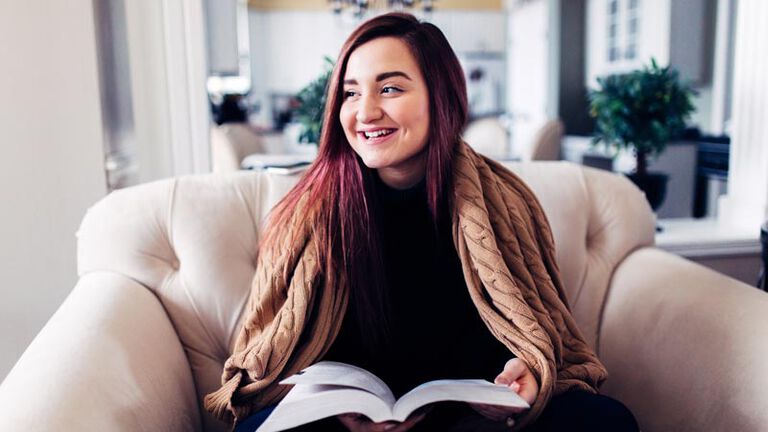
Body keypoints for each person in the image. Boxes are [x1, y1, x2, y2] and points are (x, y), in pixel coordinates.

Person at [205, 12, 639, 432]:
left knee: (607, 420)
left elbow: (539, 336)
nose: (366, 112)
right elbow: (271, 356)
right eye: (351, 93)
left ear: (442, 96)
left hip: (466, 417)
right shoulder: (305, 213)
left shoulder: (506, 202)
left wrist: (524, 373)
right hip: (346, 420)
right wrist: (335, 410)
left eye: (390, 89)